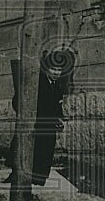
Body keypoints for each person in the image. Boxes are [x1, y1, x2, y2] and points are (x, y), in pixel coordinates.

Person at [5, 48, 74, 187]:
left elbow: (56, 106)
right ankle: (18, 178)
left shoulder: (58, 84)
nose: (56, 72)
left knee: (44, 155)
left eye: (59, 69)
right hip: (33, 126)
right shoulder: (37, 82)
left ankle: (38, 182)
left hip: (48, 128)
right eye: (53, 69)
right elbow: (18, 100)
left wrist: (59, 119)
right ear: (47, 68)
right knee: (26, 155)